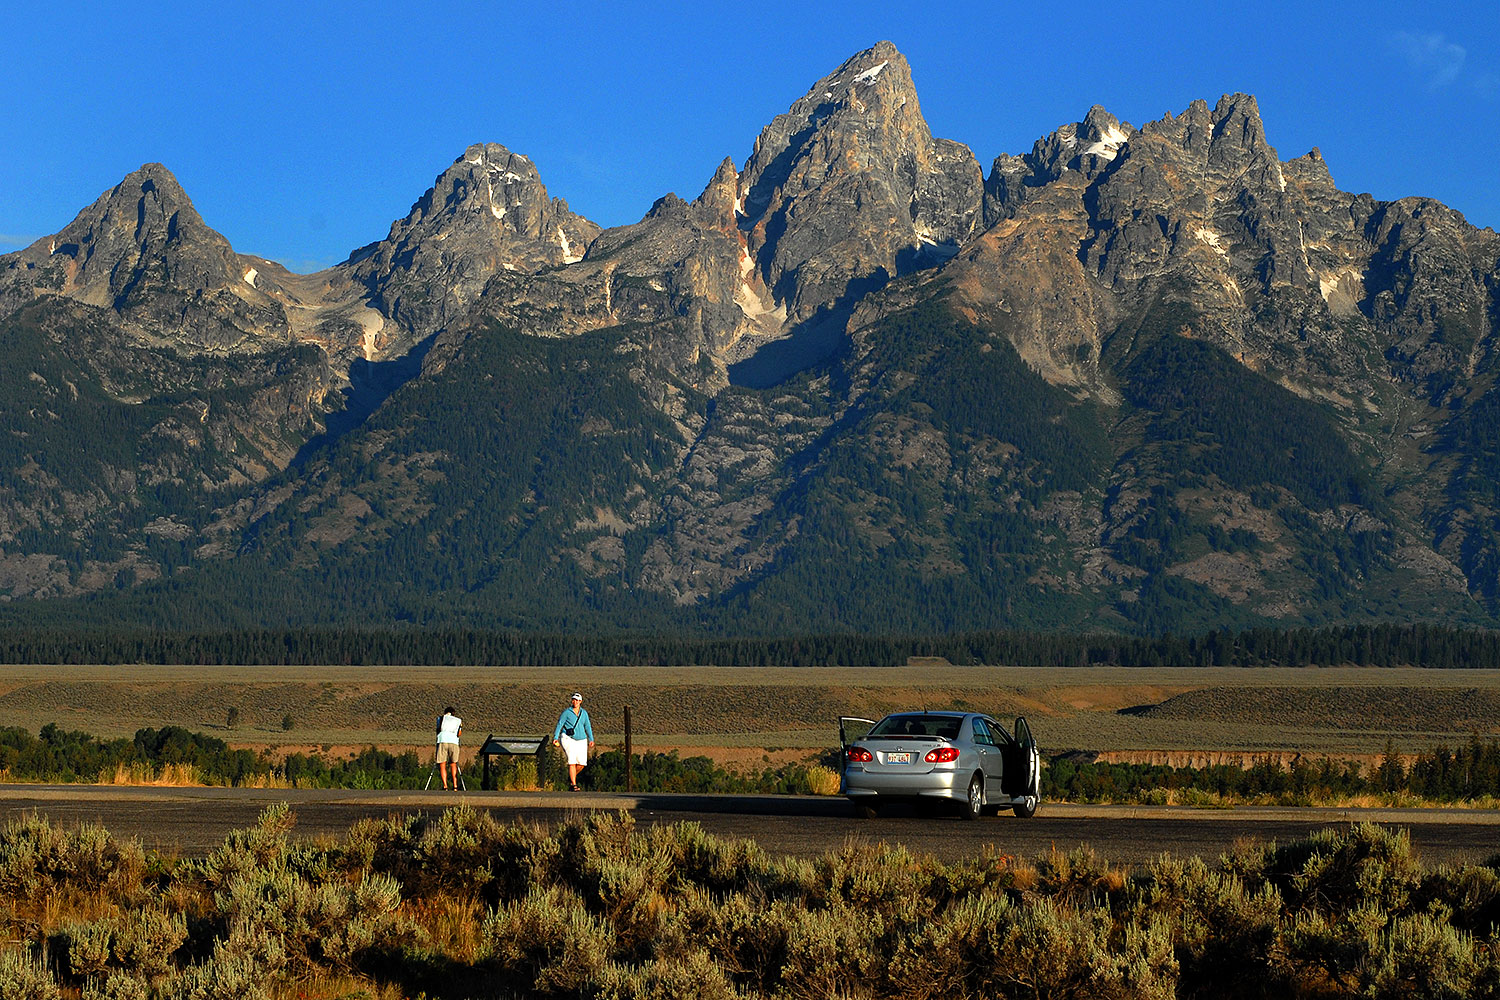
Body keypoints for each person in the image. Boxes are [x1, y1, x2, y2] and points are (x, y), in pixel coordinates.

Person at [551, 691, 594, 791]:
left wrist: (591, 738)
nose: (576, 702)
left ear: (581, 702)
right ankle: (574, 785)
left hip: (582, 739)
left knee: (582, 763)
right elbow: (560, 724)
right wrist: (555, 738)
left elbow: (587, 726)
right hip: (568, 738)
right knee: (572, 761)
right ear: (572, 701)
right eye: (574, 700)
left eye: (578, 700)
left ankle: (571, 777)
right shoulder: (566, 712)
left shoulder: (584, 713)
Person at [435, 705, 462, 790]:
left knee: (442, 764)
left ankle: (445, 786)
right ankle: (455, 785)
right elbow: (459, 733)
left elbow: (438, 729)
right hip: (453, 741)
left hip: (442, 740)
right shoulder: (458, 720)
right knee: (453, 763)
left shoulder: (440, 718)